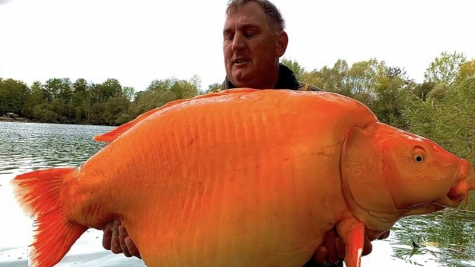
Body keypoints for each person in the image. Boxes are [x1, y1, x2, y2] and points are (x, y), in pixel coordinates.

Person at [102, 0, 390, 266]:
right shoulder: (194, 121)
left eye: (250, 33)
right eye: (229, 36)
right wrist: (127, 223)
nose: (237, 44)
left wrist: (370, 227)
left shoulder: (328, 115)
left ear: (280, 43)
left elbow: (382, 196)